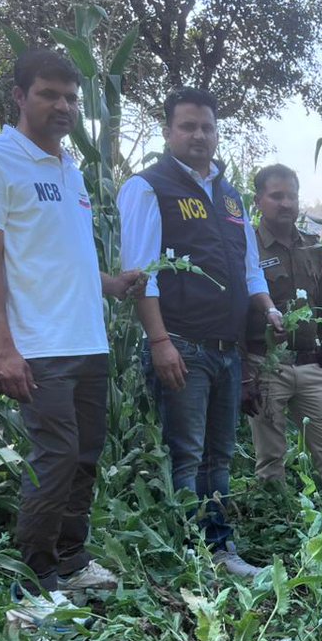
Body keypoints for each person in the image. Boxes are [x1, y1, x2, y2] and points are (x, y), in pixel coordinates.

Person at [0, 49, 145, 627]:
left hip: (87, 338)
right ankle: (32, 583)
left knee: (85, 455)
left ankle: (71, 559)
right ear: (20, 96)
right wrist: (2, 347)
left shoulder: (71, 170)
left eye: (70, 97)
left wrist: (113, 284)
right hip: (39, 344)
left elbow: (65, 256)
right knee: (55, 457)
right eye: (49, 94)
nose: (62, 106)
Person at [117, 87, 283, 579]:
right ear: (167, 132)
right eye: (188, 126)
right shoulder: (148, 188)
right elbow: (141, 273)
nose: (199, 135)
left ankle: (219, 549)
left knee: (219, 457)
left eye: (207, 127)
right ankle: (189, 555)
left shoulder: (229, 196)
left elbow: (249, 268)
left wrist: (269, 308)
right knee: (186, 456)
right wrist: (160, 342)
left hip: (227, 348)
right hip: (182, 345)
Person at [243, 164, 322, 492]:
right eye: (276, 196)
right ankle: (277, 515)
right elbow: (233, 312)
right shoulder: (247, 248)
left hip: (310, 365)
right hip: (266, 366)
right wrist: (245, 374)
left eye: (292, 196)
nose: (286, 203)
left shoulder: (312, 247)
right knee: (270, 458)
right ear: (258, 200)